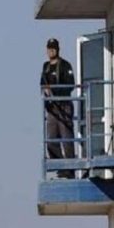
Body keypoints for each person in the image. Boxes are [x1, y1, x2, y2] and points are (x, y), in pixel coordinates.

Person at [40, 38, 76, 178]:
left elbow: (71, 85)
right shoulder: (45, 67)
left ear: (58, 49)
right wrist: (46, 91)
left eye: (53, 48)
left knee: (66, 139)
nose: (51, 51)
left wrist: (55, 91)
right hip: (52, 109)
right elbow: (42, 83)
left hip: (64, 106)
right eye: (49, 48)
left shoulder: (65, 65)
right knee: (51, 140)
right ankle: (61, 167)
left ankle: (70, 169)